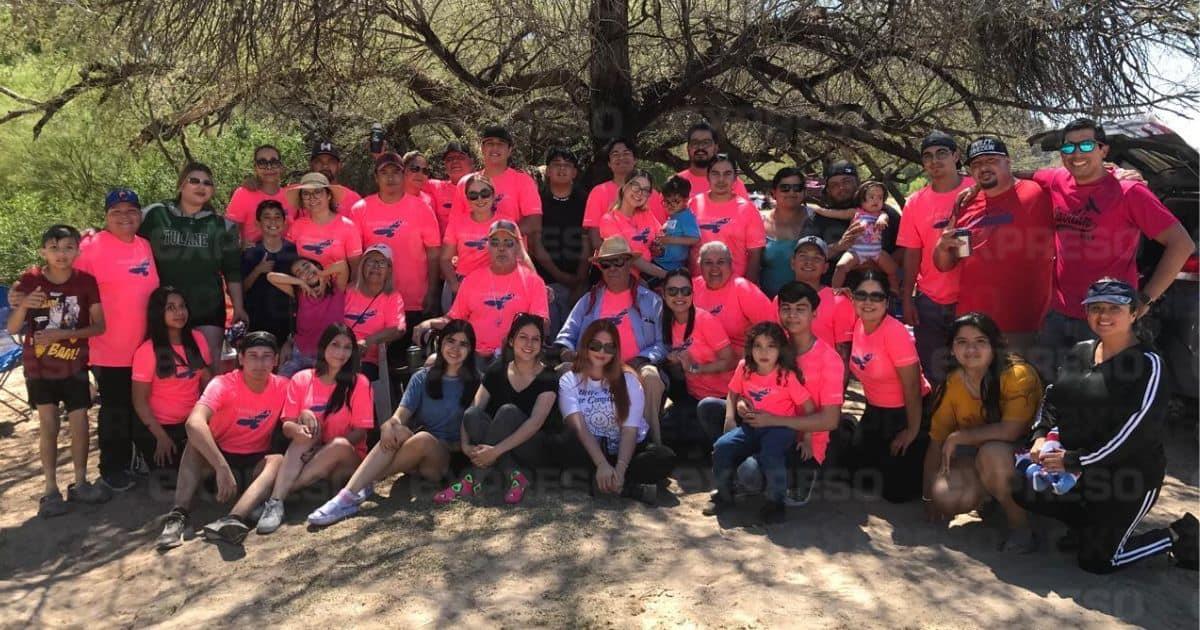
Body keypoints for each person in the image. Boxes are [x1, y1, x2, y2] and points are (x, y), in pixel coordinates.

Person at [1012, 279, 1198, 573]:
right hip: (1081, 471)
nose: (1104, 315)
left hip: (1129, 477)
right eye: (1096, 308)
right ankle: (1089, 528)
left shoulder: (1149, 365)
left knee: (1098, 561)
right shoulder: (1081, 351)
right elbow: (1053, 398)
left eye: (1115, 308)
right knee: (1023, 487)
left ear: (1134, 313)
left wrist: (1074, 459)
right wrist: (1038, 436)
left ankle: (1177, 535)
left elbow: (1135, 434)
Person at [1028, 118, 1194, 376]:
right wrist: (969, 184)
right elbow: (1016, 177)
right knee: (1051, 389)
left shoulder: (1129, 191)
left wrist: (1147, 298)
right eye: (1069, 148)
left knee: (1101, 398)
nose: (1077, 154)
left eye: (1086, 146)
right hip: (1058, 315)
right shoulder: (1056, 180)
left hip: (1107, 318)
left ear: (1103, 150)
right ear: (1062, 154)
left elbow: (1181, 244)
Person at [307, 321, 481, 525]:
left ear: (470, 350)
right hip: (414, 456)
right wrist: (389, 426)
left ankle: (359, 484)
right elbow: (399, 416)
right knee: (397, 430)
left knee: (423, 438)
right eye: (451, 341)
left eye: (463, 344)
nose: (455, 348)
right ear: (440, 342)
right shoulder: (421, 378)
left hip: (445, 461)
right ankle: (347, 497)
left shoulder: (477, 382)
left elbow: (474, 429)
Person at [8, 224, 109, 516]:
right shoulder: (31, 280)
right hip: (38, 366)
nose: (61, 254)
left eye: (67, 247)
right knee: (48, 426)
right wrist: (25, 304)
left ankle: (80, 483)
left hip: (75, 364)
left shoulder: (86, 282)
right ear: (43, 252)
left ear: (78, 250)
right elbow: (13, 327)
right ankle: (50, 490)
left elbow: (100, 325)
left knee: (80, 424)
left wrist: (60, 336)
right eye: (54, 248)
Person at [155, 332, 288, 550]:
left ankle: (233, 518)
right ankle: (178, 516)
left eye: (266, 356)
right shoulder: (223, 384)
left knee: (278, 460)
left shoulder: (283, 385)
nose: (260, 363)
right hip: (219, 461)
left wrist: (306, 417)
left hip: (254, 465)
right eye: (253, 356)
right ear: (241, 359)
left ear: (276, 361)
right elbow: (193, 423)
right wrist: (221, 467)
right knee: (194, 444)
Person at [921, 312, 1042, 552]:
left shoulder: (1017, 374)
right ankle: (992, 496)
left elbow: (1012, 430)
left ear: (994, 345)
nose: (971, 349)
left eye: (980, 342)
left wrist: (961, 436)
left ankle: (1021, 528)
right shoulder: (953, 382)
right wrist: (928, 496)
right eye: (962, 342)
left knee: (993, 452)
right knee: (946, 497)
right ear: (952, 349)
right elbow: (936, 442)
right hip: (983, 457)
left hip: (1032, 461)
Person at [932, 137, 1054, 356]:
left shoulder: (1037, 193)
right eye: (976, 164)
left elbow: (1080, 180)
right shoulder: (966, 203)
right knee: (975, 387)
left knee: (1020, 388)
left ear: (1007, 161)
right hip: (971, 324)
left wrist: (1117, 172)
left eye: (991, 160)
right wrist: (941, 247)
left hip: (1021, 323)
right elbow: (945, 264)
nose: (983, 167)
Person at [76, 189, 160, 491]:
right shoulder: (89, 247)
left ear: (140, 214)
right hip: (108, 348)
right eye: (117, 212)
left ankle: (137, 458)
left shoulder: (145, 246)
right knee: (115, 408)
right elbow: (67, 285)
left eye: (131, 210)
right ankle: (113, 466)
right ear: (105, 216)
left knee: (143, 405)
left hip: (144, 348)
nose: (125, 217)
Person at [256, 324, 373, 534]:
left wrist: (321, 450)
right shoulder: (301, 379)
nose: (340, 352)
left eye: (347, 347)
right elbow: (287, 425)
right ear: (323, 347)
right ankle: (276, 503)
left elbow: (360, 432)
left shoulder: (359, 383)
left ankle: (275, 495)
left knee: (338, 444)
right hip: (308, 457)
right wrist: (299, 430)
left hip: (346, 460)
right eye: (335, 345)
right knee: (304, 435)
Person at [434, 314, 558, 505]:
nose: (529, 343)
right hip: (502, 448)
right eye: (523, 337)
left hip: (534, 448)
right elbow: (473, 408)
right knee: (473, 416)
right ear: (511, 340)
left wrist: (495, 451)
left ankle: (472, 479)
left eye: (536, 339)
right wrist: (466, 445)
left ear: (542, 344)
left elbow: (535, 423)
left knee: (508, 412)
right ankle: (516, 477)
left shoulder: (548, 376)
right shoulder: (497, 369)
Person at [555, 236, 667, 444]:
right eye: (606, 264)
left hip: (636, 366)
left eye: (619, 262)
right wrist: (567, 352)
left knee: (651, 376)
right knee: (563, 371)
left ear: (629, 263)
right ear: (600, 268)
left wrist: (643, 359)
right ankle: (577, 442)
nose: (613, 268)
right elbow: (565, 337)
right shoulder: (588, 300)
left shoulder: (652, 300)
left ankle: (653, 442)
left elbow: (663, 345)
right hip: (595, 367)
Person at [703, 322, 816, 523]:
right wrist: (730, 417)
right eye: (758, 345)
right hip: (751, 426)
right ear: (750, 348)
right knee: (722, 446)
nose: (764, 352)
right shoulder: (744, 368)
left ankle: (775, 503)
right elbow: (733, 393)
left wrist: (807, 439)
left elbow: (808, 408)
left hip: (780, 429)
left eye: (771, 346)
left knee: (771, 454)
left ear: (780, 349)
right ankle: (724, 494)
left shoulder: (786, 375)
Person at [835, 270, 931, 503]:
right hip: (874, 411)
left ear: (887, 302)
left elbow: (913, 388)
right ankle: (849, 426)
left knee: (897, 494)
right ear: (853, 298)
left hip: (907, 412)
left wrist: (911, 430)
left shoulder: (896, 334)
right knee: (852, 477)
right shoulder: (857, 324)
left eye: (876, 297)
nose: (868, 302)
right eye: (862, 295)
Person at [555, 320, 676, 504]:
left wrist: (619, 469)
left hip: (625, 451)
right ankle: (627, 488)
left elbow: (630, 430)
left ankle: (608, 482)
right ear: (585, 346)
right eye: (595, 346)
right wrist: (602, 463)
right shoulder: (569, 379)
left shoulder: (628, 379)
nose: (602, 352)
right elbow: (579, 427)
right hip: (589, 449)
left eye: (609, 347)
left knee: (664, 457)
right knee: (565, 443)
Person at [140, 163, 248, 369]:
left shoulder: (223, 226)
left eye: (207, 183)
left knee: (208, 365)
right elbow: (124, 229)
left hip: (207, 306)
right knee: (168, 368)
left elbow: (232, 272)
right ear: (181, 185)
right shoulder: (155, 215)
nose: (201, 186)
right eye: (194, 181)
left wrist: (239, 307)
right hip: (164, 307)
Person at [415, 220, 549, 366]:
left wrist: (512, 344)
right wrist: (428, 323)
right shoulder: (472, 279)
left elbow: (541, 326)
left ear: (518, 247)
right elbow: (454, 319)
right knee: (431, 364)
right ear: (487, 247)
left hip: (513, 357)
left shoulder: (534, 282)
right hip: (471, 354)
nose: (501, 248)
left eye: (508, 243)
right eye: (495, 243)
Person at [898, 131, 973, 385]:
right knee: (935, 372)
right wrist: (907, 298)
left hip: (972, 296)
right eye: (928, 156)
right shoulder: (915, 202)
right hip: (930, 300)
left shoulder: (976, 190)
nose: (934, 161)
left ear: (956, 156)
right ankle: (939, 423)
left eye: (942, 153)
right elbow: (911, 251)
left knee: (974, 370)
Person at [774, 281, 846, 504]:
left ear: (814, 314)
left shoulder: (829, 359)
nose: (792, 315)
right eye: (786, 308)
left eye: (800, 309)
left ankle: (807, 473)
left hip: (807, 444)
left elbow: (830, 419)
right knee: (711, 408)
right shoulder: (771, 348)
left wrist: (774, 421)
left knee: (757, 477)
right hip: (770, 431)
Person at [351, 152, 441, 322]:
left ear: (404, 175)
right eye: (384, 173)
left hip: (414, 301)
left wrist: (433, 292)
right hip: (374, 298)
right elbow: (355, 257)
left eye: (396, 172)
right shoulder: (360, 209)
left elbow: (434, 254)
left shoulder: (422, 208)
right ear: (376, 178)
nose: (390, 178)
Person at [131, 287, 212, 475]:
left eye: (182, 306)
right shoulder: (147, 351)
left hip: (192, 423)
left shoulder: (198, 339)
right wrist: (161, 437)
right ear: (159, 312)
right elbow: (140, 402)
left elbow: (208, 385)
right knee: (173, 477)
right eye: (171, 308)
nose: (179, 312)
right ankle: (140, 454)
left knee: (206, 471)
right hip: (159, 428)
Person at [657, 270, 735, 449]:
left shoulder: (705, 319)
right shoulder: (666, 322)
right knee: (667, 432)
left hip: (722, 397)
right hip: (693, 396)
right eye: (672, 291)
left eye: (685, 291)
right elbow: (678, 375)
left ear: (693, 294)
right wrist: (674, 363)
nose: (679, 296)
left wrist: (695, 368)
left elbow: (729, 361)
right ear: (664, 294)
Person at [807, 161, 901, 284]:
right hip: (835, 292)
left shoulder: (885, 212)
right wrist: (838, 246)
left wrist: (878, 265)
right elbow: (809, 257)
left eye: (846, 182)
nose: (841, 188)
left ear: (858, 183)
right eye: (834, 185)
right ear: (828, 190)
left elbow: (905, 249)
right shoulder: (818, 218)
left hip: (880, 292)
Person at [532, 148, 590, 336]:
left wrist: (580, 279)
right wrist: (560, 276)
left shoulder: (585, 199)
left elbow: (587, 239)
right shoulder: (537, 200)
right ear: (548, 170)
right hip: (545, 279)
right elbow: (535, 244)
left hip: (581, 277)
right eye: (556, 164)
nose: (562, 169)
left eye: (567, 165)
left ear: (575, 172)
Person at [453, 125, 543, 244]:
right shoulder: (465, 183)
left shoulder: (523, 181)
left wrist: (500, 238)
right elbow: (455, 223)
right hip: (471, 257)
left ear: (509, 150)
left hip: (509, 255)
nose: (495, 147)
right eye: (490, 143)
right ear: (482, 148)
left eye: (501, 144)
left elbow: (534, 222)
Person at [268, 258, 349, 376]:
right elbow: (271, 277)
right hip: (300, 353)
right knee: (282, 385)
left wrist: (321, 274)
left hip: (328, 357)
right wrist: (300, 283)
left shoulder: (337, 287)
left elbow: (342, 265)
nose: (305, 272)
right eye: (299, 273)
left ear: (316, 265)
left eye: (306, 266)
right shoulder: (299, 293)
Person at [690, 154, 766, 282]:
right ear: (708, 176)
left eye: (727, 174)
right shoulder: (693, 204)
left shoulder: (748, 210)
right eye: (715, 173)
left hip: (735, 284)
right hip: (698, 284)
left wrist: (747, 287)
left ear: (735, 178)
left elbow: (755, 255)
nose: (721, 179)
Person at [583, 138, 669, 250]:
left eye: (626, 153)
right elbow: (594, 237)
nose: (621, 157)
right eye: (615, 154)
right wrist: (615, 262)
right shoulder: (598, 192)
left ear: (635, 160)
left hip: (650, 262)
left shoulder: (653, 194)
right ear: (609, 163)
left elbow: (660, 234)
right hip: (611, 263)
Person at [692, 241, 776, 353]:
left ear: (731, 265)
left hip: (739, 362)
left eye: (721, 262)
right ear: (700, 265)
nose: (714, 268)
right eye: (708, 263)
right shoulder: (693, 287)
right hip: (700, 361)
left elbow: (773, 329)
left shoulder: (743, 289)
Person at [344, 244, 405, 381]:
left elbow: (398, 329)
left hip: (367, 360)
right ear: (362, 266)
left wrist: (367, 341)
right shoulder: (348, 291)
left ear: (389, 270)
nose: (376, 266)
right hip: (340, 352)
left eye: (382, 262)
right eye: (371, 261)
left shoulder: (393, 297)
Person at [240, 200, 298, 345]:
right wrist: (258, 270)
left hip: (287, 320)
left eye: (277, 216)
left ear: (284, 222)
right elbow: (242, 288)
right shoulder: (250, 253)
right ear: (258, 223)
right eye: (267, 217)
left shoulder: (294, 251)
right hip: (256, 319)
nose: (273, 221)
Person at [787, 236, 856, 357]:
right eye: (803, 256)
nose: (809, 261)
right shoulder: (780, 299)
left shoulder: (839, 300)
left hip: (825, 374)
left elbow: (844, 355)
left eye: (817, 258)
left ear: (825, 267)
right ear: (792, 263)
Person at [441, 173, 500, 309]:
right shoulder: (457, 223)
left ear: (493, 194)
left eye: (484, 193)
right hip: (461, 283)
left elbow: (520, 257)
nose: (479, 199)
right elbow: (445, 259)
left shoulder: (505, 222)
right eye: (473, 195)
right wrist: (455, 286)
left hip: (494, 286)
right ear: (467, 199)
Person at [830, 181, 901, 293]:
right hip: (857, 250)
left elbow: (884, 217)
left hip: (876, 250)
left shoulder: (882, 214)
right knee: (841, 266)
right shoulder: (855, 213)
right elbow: (834, 213)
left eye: (880, 197)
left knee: (892, 269)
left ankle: (895, 290)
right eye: (871, 197)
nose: (876, 200)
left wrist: (881, 220)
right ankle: (835, 290)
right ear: (861, 199)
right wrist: (817, 209)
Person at [285, 171, 363, 271]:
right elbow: (289, 263)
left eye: (317, 192)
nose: (312, 198)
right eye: (306, 194)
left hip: (340, 286)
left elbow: (356, 269)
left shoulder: (347, 226)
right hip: (305, 286)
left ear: (329, 195)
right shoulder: (296, 226)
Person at [598, 170, 668, 280]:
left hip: (651, 274)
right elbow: (630, 258)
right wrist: (667, 275)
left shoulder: (646, 213)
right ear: (624, 186)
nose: (640, 193)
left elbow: (661, 238)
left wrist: (658, 248)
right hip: (626, 279)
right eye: (636, 186)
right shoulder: (609, 220)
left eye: (645, 190)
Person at [226, 145, 295, 244]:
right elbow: (229, 233)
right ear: (255, 168)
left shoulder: (292, 195)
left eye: (274, 162)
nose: (269, 167)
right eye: (262, 163)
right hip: (252, 257)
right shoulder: (243, 193)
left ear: (281, 167)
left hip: (286, 257)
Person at [759, 168, 810, 298]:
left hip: (807, 304)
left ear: (804, 192)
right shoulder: (758, 220)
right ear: (773, 192)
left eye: (797, 188)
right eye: (785, 188)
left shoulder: (816, 218)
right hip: (766, 302)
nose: (791, 192)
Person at [675, 121, 750, 199]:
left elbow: (746, 210)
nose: (700, 147)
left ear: (716, 148)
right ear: (688, 148)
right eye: (695, 143)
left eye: (706, 143)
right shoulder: (675, 183)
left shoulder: (733, 183)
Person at [651, 175, 701, 277]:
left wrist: (670, 239)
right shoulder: (674, 216)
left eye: (675, 201)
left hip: (672, 268)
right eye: (667, 202)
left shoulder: (686, 216)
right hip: (660, 263)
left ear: (686, 200)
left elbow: (695, 238)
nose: (670, 205)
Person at [423, 141, 476, 234]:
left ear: (471, 162)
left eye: (460, 157)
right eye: (449, 159)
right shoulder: (435, 187)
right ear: (445, 165)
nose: (454, 161)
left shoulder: (485, 185)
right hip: (445, 246)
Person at [308, 139, 363, 208]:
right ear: (311, 165)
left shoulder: (353, 199)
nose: (325, 166)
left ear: (339, 165)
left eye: (331, 162)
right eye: (319, 162)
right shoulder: (301, 198)